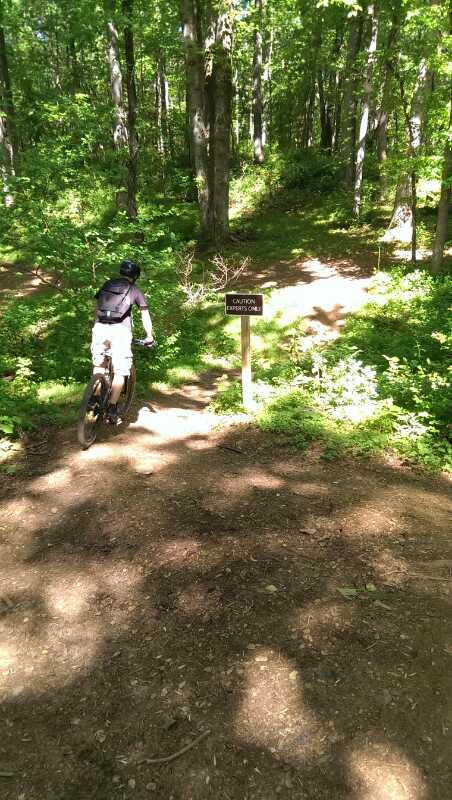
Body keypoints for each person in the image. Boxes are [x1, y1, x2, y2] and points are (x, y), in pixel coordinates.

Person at [91, 259, 154, 423]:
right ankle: (112, 408)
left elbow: (97, 306)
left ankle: (93, 400)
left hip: (100, 328)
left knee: (99, 365)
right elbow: (144, 314)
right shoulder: (134, 290)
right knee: (120, 371)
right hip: (120, 331)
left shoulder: (108, 284)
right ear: (135, 276)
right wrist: (149, 336)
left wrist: (98, 325)